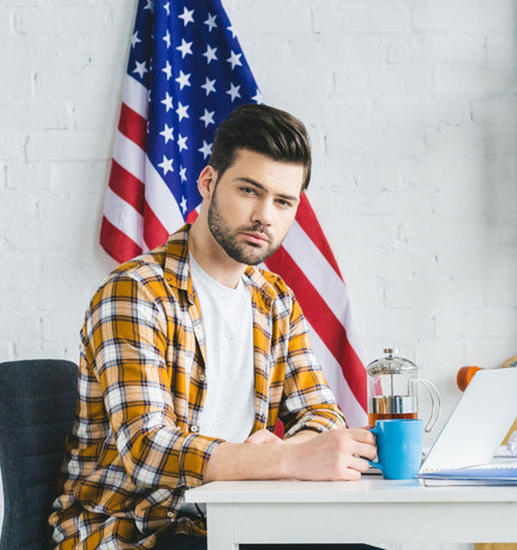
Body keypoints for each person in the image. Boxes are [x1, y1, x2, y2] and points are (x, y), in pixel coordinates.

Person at [51, 104, 379, 550]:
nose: (265, 215)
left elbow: (321, 414)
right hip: (135, 530)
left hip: (230, 523)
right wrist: (283, 458)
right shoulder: (135, 292)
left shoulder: (274, 299)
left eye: (283, 202)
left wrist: (293, 450)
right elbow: (148, 449)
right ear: (208, 183)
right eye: (249, 190)